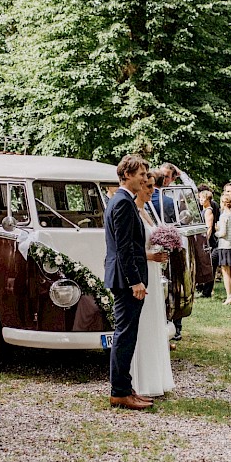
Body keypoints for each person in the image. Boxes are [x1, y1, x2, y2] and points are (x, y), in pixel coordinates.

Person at [104, 155, 153, 410]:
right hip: (125, 281)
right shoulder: (122, 202)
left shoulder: (123, 201)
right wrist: (135, 281)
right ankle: (119, 391)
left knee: (128, 335)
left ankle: (125, 386)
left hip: (124, 279)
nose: (144, 178)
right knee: (124, 336)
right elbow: (124, 247)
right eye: (141, 174)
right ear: (126, 175)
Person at [131, 172, 174, 398]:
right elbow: (131, 247)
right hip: (144, 269)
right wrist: (150, 256)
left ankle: (158, 377)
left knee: (157, 319)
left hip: (155, 271)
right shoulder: (133, 211)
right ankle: (143, 380)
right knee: (144, 322)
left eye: (152, 187)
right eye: (147, 187)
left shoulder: (148, 211)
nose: (151, 191)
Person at [214, 193, 231, 305]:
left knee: (225, 271)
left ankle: (229, 296)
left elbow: (223, 233)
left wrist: (216, 231)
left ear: (223, 203)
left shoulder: (224, 216)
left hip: (225, 246)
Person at [196, 189, 216, 298]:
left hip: (209, 243)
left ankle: (207, 291)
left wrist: (205, 242)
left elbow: (209, 228)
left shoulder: (208, 211)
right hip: (204, 242)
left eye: (202, 198)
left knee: (209, 266)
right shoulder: (203, 209)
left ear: (207, 199)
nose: (200, 200)